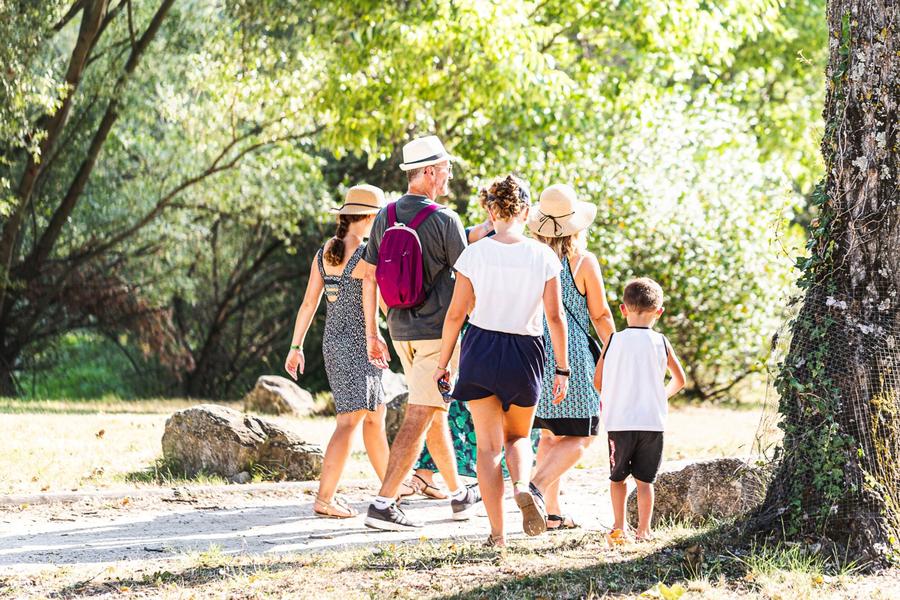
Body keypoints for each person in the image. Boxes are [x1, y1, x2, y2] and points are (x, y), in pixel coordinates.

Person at [434, 175, 569, 547]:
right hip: (525, 351)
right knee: (519, 436)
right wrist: (562, 368)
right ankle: (524, 486)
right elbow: (555, 317)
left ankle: (497, 536)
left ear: (489, 210)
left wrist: (444, 362)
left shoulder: (474, 254)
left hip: (480, 347)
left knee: (488, 448)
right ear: (526, 212)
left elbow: (455, 314)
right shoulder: (543, 255)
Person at [361, 135, 481, 531]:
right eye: (445, 169)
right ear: (429, 172)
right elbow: (468, 280)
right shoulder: (446, 220)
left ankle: (459, 494)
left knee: (434, 412)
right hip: (438, 336)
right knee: (419, 414)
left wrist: (373, 333)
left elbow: (368, 277)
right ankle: (383, 503)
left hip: (399, 332)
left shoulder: (385, 215)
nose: (448, 176)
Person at [285, 184, 390, 518]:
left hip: (334, 342)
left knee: (376, 414)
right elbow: (377, 302)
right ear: (370, 217)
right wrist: (390, 335)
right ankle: (325, 498)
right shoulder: (366, 254)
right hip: (361, 343)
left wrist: (296, 346)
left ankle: (391, 486)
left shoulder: (324, 252)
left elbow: (307, 304)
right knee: (349, 422)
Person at [528, 184, 616, 530]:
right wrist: (616, 350)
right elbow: (601, 315)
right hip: (573, 356)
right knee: (582, 435)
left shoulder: (531, 258)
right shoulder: (582, 262)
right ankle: (533, 489)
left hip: (535, 352)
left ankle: (551, 513)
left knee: (550, 435)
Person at [593, 277, 686, 543]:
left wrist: (616, 396)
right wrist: (661, 396)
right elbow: (680, 381)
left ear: (623, 309)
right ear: (659, 312)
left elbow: (598, 381)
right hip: (652, 422)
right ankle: (644, 531)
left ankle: (618, 528)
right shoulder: (662, 342)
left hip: (619, 422)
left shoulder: (612, 341)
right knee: (645, 482)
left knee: (617, 478)